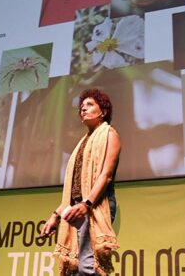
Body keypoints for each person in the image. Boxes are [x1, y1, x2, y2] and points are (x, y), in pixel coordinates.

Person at [41, 89, 121, 276]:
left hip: (95, 203)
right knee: (75, 268)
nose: (83, 109)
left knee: (88, 265)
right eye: (81, 107)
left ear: (103, 111)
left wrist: (87, 205)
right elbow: (75, 188)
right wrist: (56, 215)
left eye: (90, 105)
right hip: (76, 206)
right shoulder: (82, 143)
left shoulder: (110, 134)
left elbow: (106, 175)